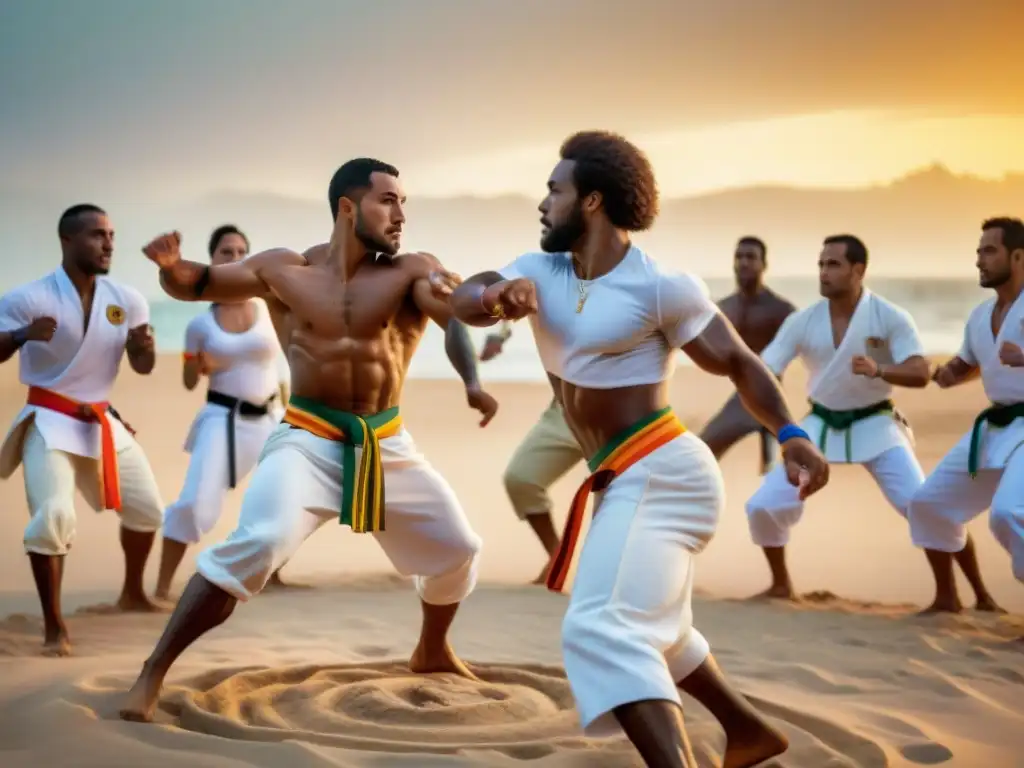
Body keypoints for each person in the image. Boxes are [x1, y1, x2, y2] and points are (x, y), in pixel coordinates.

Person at [451, 131, 830, 768]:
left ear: (592, 201)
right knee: (662, 632)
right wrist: (495, 296)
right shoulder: (539, 270)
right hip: (621, 479)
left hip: (665, 472)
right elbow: (469, 295)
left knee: (601, 627)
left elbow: (739, 362)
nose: (543, 203)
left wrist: (791, 434)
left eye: (555, 190)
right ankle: (747, 731)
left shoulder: (660, 287)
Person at [119, 158, 498, 722]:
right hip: (307, 437)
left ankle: (432, 648)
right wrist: (170, 266)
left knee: (459, 550)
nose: (400, 215)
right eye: (387, 201)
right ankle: (152, 671)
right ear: (348, 208)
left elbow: (461, 305)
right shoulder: (283, 270)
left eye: (402, 203)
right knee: (261, 542)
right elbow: (196, 284)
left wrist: (490, 314)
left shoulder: (412, 271)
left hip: (384, 442)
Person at [744, 235, 1001, 611]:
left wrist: (880, 368)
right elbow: (767, 373)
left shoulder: (889, 317)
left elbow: (919, 371)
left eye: (833, 265)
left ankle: (969, 594)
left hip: (876, 425)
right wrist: (784, 435)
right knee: (763, 505)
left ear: (858, 270)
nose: (824, 272)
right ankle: (781, 585)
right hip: (818, 429)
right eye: (821, 264)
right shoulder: (803, 321)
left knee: (926, 505)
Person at [0, 204, 165, 656]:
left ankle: (132, 592)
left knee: (148, 509)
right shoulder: (29, 298)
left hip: (101, 419)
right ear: (67, 241)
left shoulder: (126, 298)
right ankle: (54, 627)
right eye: (96, 235)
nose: (108, 242)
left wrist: (142, 348)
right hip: (49, 421)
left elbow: (144, 366)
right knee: (54, 516)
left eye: (111, 234)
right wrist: (21, 336)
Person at [155, 225, 292, 600]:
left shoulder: (268, 306)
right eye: (226, 253)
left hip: (271, 417)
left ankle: (272, 576)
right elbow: (187, 380)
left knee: (283, 494)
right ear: (211, 261)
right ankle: (163, 586)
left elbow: (286, 360)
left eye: (241, 252)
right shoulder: (200, 324)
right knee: (196, 505)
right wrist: (199, 364)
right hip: (223, 419)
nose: (235, 259)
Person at [907, 217, 1024, 611]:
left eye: (989, 251)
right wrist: (942, 373)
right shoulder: (979, 316)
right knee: (928, 505)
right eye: (978, 252)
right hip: (997, 427)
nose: (979, 260)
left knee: (1009, 515)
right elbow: (969, 364)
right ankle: (947, 599)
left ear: (1019, 256)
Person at [477, 320, 585, 583]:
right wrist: (501, 332)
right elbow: (513, 292)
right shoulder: (559, 280)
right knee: (521, 478)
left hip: (625, 412)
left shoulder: (627, 283)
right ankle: (557, 556)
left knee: (619, 498)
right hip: (567, 409)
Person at [699, 237, 797, 474]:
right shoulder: (723, 308)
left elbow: (812, 345)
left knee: (782, 470)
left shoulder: (781, 309)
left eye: (751, 257)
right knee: (702, 452)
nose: (744, 262)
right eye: (739, 257)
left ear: (764, 264)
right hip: (742, 397)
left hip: (772, 397)